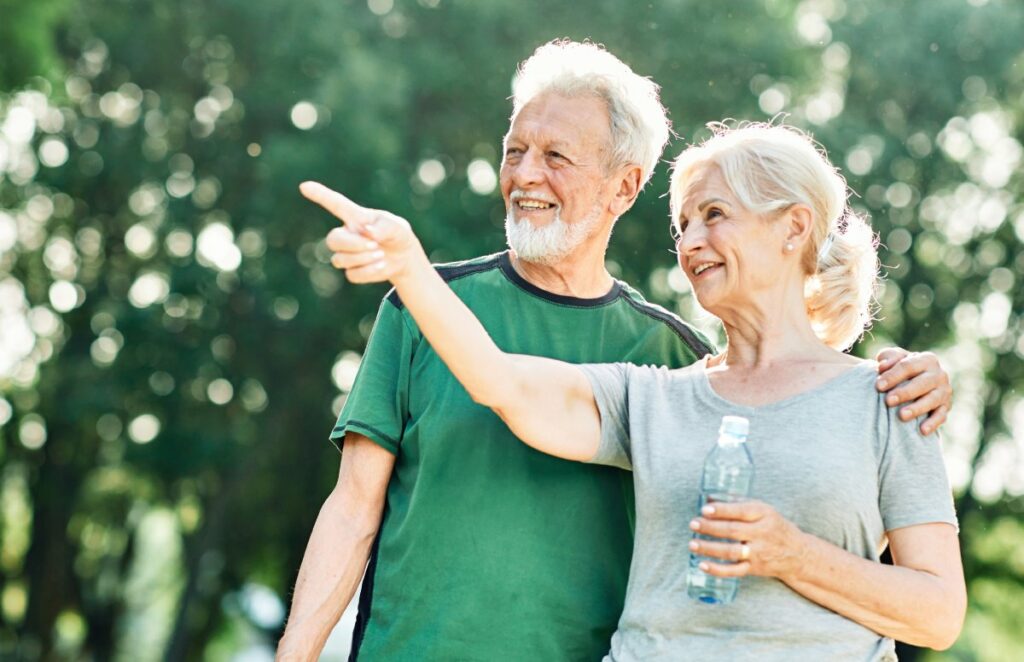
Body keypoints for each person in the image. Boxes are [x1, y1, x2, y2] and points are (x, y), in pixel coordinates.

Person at [279, 42, 953, 661]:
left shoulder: (879, 396)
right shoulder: (657, 392)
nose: (690, 242)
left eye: (713, 216)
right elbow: (501, 386)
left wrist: (791, 552)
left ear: (793, 227)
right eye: (683, 223)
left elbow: (938, 615)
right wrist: (408, 265)